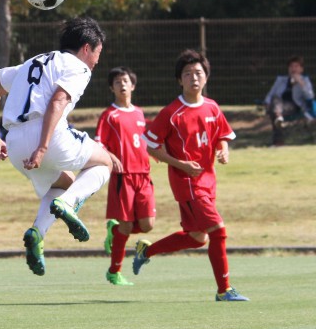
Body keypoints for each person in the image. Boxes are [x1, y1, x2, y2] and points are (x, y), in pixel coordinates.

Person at [0, 16, 114, 276]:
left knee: (63, 183)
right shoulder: (78, 67)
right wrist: (42, 148)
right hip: (46, 136)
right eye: (98, 53)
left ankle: (37, 233)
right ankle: (68, 205)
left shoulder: (32, 62)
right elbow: (58, 101)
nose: (97, 61)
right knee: (106, 162)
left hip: (15, 142)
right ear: (86, 48)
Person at [134, 49, 249, 302]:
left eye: (198, 73)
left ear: (206, 77)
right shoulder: (172, 113)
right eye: (187, 74)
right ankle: (224, 290)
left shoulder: (212, 107)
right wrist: (179, 164)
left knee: (198, 238)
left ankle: (147, 250)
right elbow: (151, 145)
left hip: (208, 182)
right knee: (218, 230)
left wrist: (224, 151)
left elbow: (222, 136)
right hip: (187, 183)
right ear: (180, 80)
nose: (193, 78)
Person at [95, 67, 154, 286]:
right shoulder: (109, 115)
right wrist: (111, 157)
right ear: (112, 87)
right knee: (127, 227)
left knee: (147, 225)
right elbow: (98, 144)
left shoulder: (139, 113)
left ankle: (115, 229)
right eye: (117, 82)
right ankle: (114, 272)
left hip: (144, 175)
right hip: (123, 176)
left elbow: (146, 142)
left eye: (126, 81)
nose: (122, 85)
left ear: (133, 85)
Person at [263, 55, 314, 146]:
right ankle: (279, 117)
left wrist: (301, 83)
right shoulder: (281, 80)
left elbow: (310, 96)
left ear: (301, 69)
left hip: (295, 106)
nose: (293, 69)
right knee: (274, 100)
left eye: (296, 66)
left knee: (273, 111)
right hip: (279, 104)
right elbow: (271, 93)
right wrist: (267, 102)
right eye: (291, 66)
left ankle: (278, 142)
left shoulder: (305, 80)